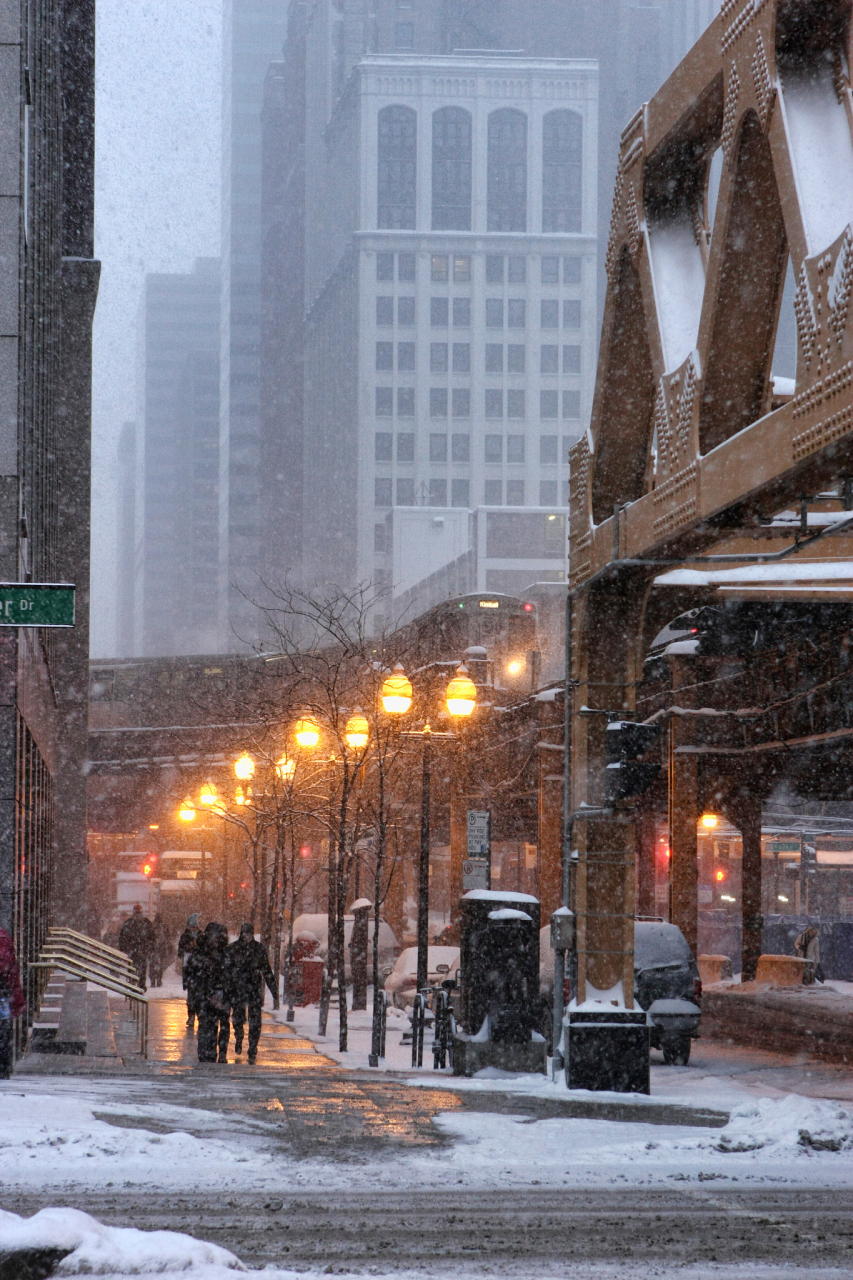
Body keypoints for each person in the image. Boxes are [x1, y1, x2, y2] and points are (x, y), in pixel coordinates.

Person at [226, 923, 276, 1065]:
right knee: (238, 1018)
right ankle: (239, 1038)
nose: (247, 937)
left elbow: (266, 970)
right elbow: (227, 969)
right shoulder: (234, 948)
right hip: (239, 989)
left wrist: (273, 990)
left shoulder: (258, 949)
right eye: (245, 934)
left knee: (255, 1022)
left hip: (253, 990)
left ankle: (253, 1049)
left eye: (249, 934)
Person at [186, 921, 230, 1063]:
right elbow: (191, 974)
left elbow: (191, 974)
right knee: (210, 1025)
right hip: (209, 995)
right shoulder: (218, 954)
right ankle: (209, 1053)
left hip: (212, 995)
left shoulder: (210, 954)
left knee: (213, 1025)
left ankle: (211, 1053)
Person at [0, 927, 25, 1079]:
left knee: (2, 1032)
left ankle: (3, 1067)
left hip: (3, 992)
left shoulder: (2, 938)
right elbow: (11, 972)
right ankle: (3, 1068)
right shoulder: (3, 936)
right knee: (3, 1032)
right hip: (3, 994)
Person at [118, 904, 156, 989]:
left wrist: (124, 949)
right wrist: (151, 948)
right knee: (142, 969)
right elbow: (152, 938)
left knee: (132, 969)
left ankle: (132, 984)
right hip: (142, 950)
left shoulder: (128, 923)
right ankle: (140, 985)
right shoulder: (146, 923)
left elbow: (122, 938)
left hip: (133, 951)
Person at [178, 913, 201, 1027]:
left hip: (199, 969)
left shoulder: (201, 936)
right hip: (189, 969)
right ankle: (191, 1015)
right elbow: (180, 952)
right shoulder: (184, 937)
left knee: (199, 994)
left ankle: (198, 1015)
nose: (193, 929)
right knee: (191, 994)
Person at [149, 913, 172, 988]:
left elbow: (149, 937)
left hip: (153, 949)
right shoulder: (164, 926)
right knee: (160, 965)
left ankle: (153, 981)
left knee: (152, 965)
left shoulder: (152, 926)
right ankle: (159, 980)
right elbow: (168, 937)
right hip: (161, 948)